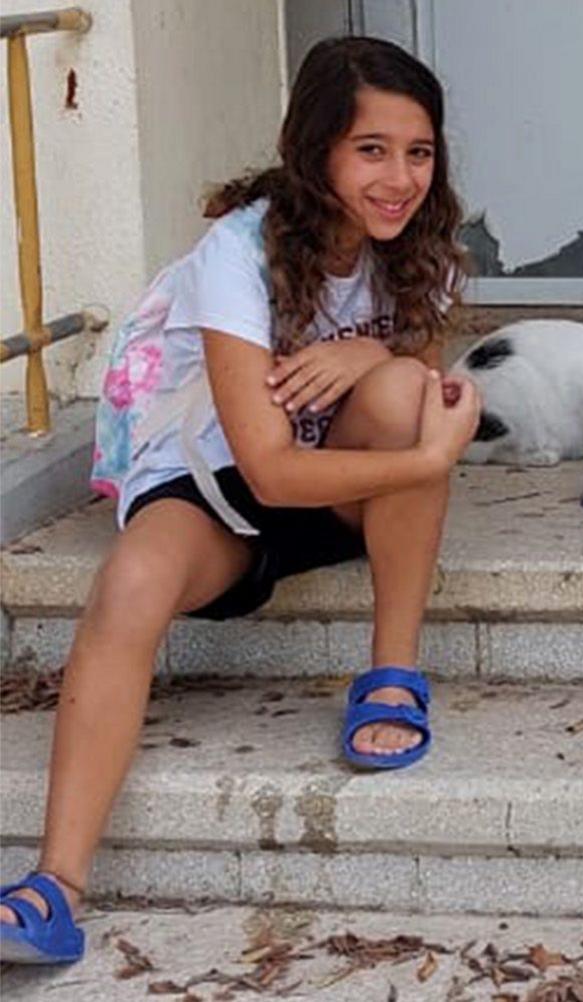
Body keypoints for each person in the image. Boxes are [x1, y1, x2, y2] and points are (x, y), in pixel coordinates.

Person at [0, 36, 479, 964]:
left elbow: (421, 394)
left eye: (417, 152)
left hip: (334, 487)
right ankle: (54, 886)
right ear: (315, 151)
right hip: (220, 484)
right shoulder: (239, 251)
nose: (399, 178)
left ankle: (391, 672)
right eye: (370, 150)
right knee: (130, 584)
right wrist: (427, 462)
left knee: (409, 396)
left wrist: (377, 360)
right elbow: (265, 473)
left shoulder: (425, 248)